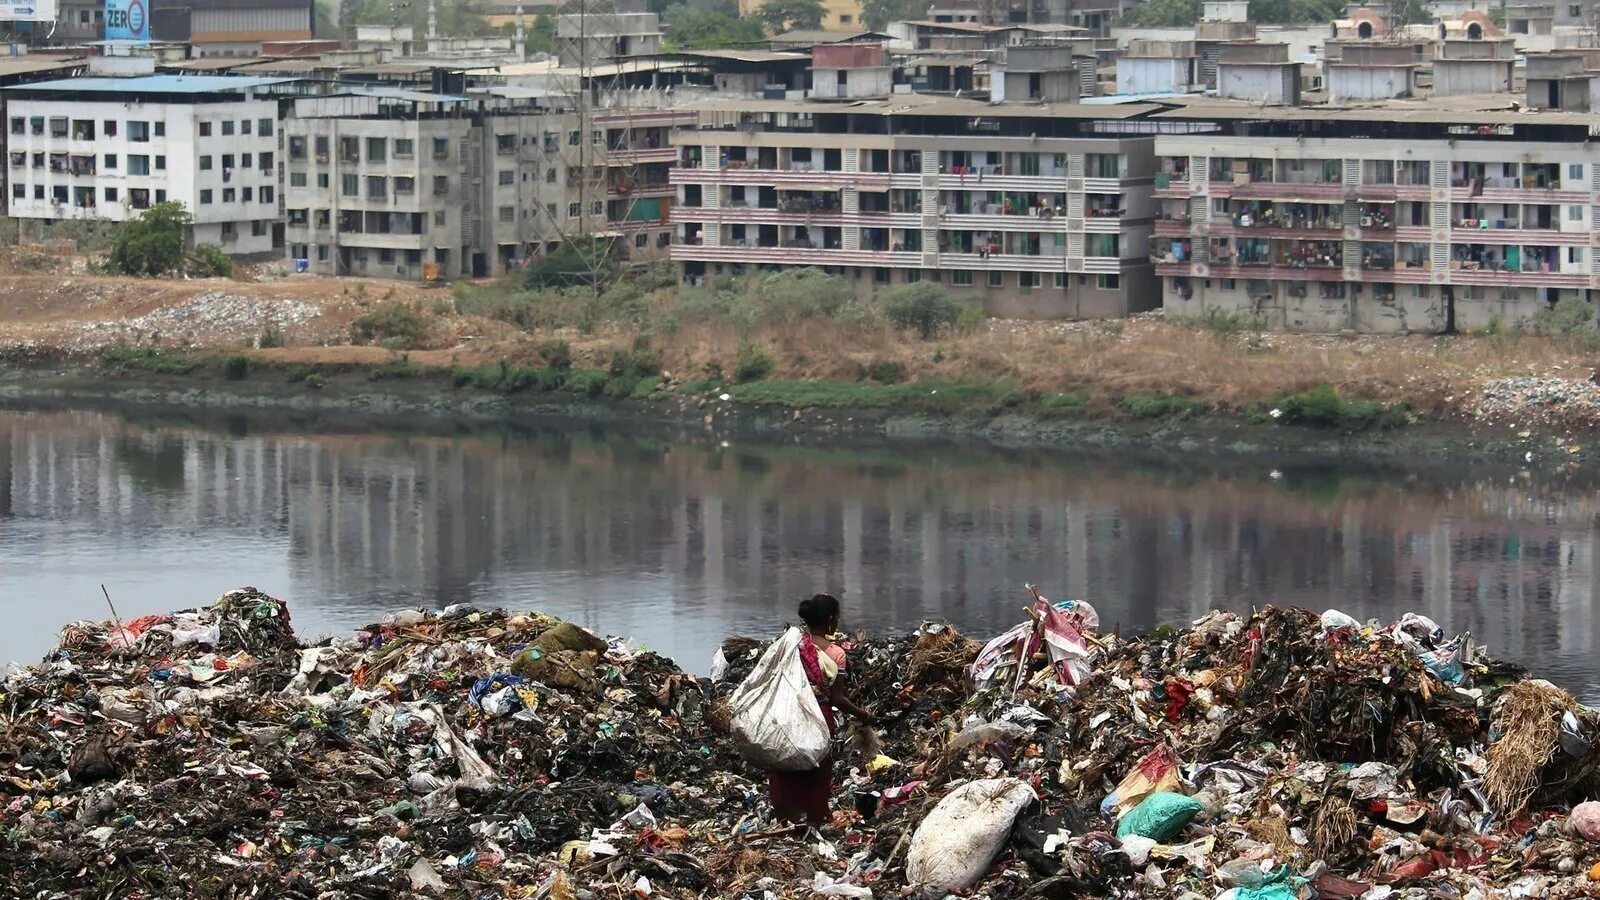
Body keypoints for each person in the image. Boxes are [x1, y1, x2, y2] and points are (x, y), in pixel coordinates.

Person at [768, 593, 874, 827]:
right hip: (819, 718)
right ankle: (813, 823)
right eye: (836, 618)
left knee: (785, 764)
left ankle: (783, 821)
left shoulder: (793, 645)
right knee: (817, 770)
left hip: (790, 715)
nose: (837, 622)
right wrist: (863, 715)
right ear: (829, 620)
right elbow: (837, 699)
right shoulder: (836, 654)